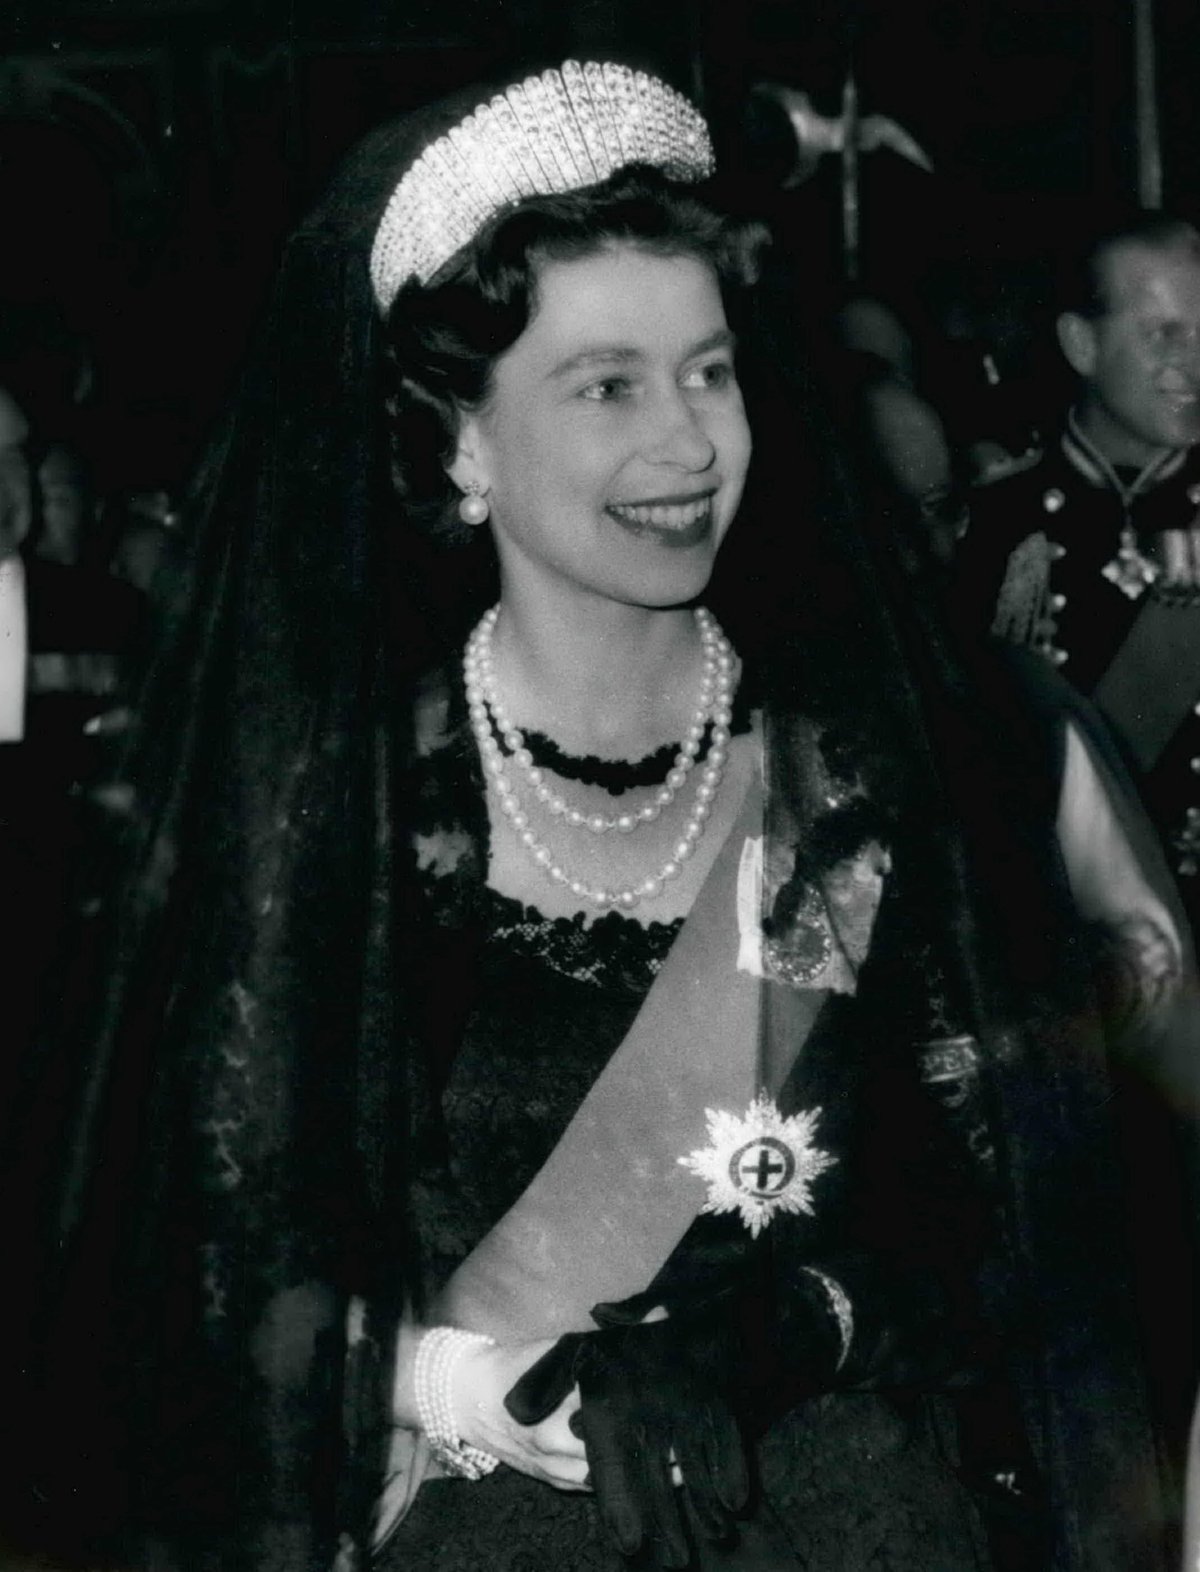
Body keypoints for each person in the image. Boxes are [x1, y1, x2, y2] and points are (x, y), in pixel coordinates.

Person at [3, 62, 1195, 1572]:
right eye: (607, 384)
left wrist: (796, 1325)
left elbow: (1019, 1218)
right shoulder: (350, 808)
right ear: (459, 445)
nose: (691, 442)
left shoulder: (865, 781)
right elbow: (193, 1282)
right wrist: (460, 1387)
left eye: (710, 369)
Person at [954, 211, 1200, 917]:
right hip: (1066, 940)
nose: (1194, 363)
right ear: (1081, 343)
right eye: (1164, 335)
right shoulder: (992, 528)